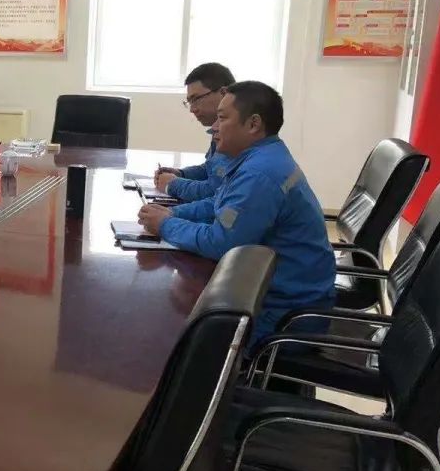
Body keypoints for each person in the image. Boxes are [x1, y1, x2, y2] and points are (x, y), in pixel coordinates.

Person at [138, 81, 335, 344]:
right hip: (272, 294)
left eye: (222, 118)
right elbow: (218, 203)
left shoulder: (259, 174)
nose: (214, 127)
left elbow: (221, 243)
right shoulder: (261, 157)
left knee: (165, 331)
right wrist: (172, 214)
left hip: (282, 315)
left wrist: (165, 225)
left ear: (253, 124)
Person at [154, 62, 234, 202]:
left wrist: (173, 184)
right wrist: (181, 174)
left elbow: (215, 191)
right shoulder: (220, 128)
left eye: (196, 99)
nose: (192, 109)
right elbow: (211, 170)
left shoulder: (237, 134)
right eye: (189, 102)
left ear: (223, 93)